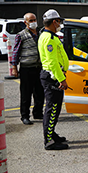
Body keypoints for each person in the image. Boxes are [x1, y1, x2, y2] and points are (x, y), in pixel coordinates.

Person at [38, 9, 69, 150]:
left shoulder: (51, 36)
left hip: (53, 76)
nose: (60, 24)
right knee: (52, 108)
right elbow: (52, 63)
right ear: (54, 21)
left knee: (55, 108)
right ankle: (49, 140)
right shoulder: (49, 38)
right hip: (52, 77)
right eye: (59, 21)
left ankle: (51, 133)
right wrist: (61, 79)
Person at [11, 13, 44, 125]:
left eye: (34, 19)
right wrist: (14, 67)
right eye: (31, 20)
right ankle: (25, 116)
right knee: (26, 94)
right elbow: (15, 52)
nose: (33, 22)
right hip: (26, 68)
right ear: (25, 22)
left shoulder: (41, 33)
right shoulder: (21, 35)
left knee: (39, 92)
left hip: (39, 68)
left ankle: (38, 113)